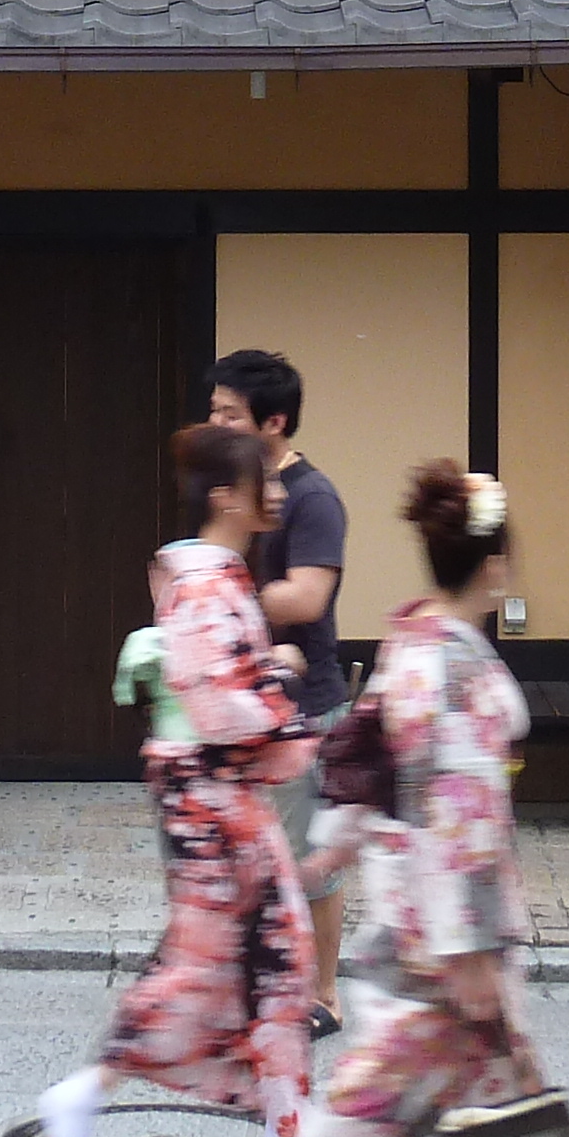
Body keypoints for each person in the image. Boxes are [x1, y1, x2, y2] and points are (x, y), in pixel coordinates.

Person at [237, 461, 569, 1137]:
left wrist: (338, 841)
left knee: (497, 1071)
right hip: (444, 920)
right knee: (395, 1086)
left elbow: (364, 750)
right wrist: (469, 945)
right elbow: (464, 819)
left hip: (416, 896)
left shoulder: (413, 640)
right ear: (494, 566)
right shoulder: (460, 674)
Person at [8, 420, 315, 1137]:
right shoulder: (211, 584)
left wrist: (267, 675)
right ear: (226, 498)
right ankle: (79, 1101)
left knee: (278, 954)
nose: (276, 492)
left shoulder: (210, 579)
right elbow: (223, 707)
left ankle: (287, 1130)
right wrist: (280, 683)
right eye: (263, 483)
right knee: (204, 968)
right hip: (211, 801)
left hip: (219, 796)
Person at [206, 348, 350, 1029]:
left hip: (304, 705)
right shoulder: (234, 487)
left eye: (230, 413)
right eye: (214, 411)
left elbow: (307, 596)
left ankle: (324, 994)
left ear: (275, 421)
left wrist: (226, 599)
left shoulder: (312, 497)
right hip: (244, 699)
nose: (217, 423)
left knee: (306, 858)